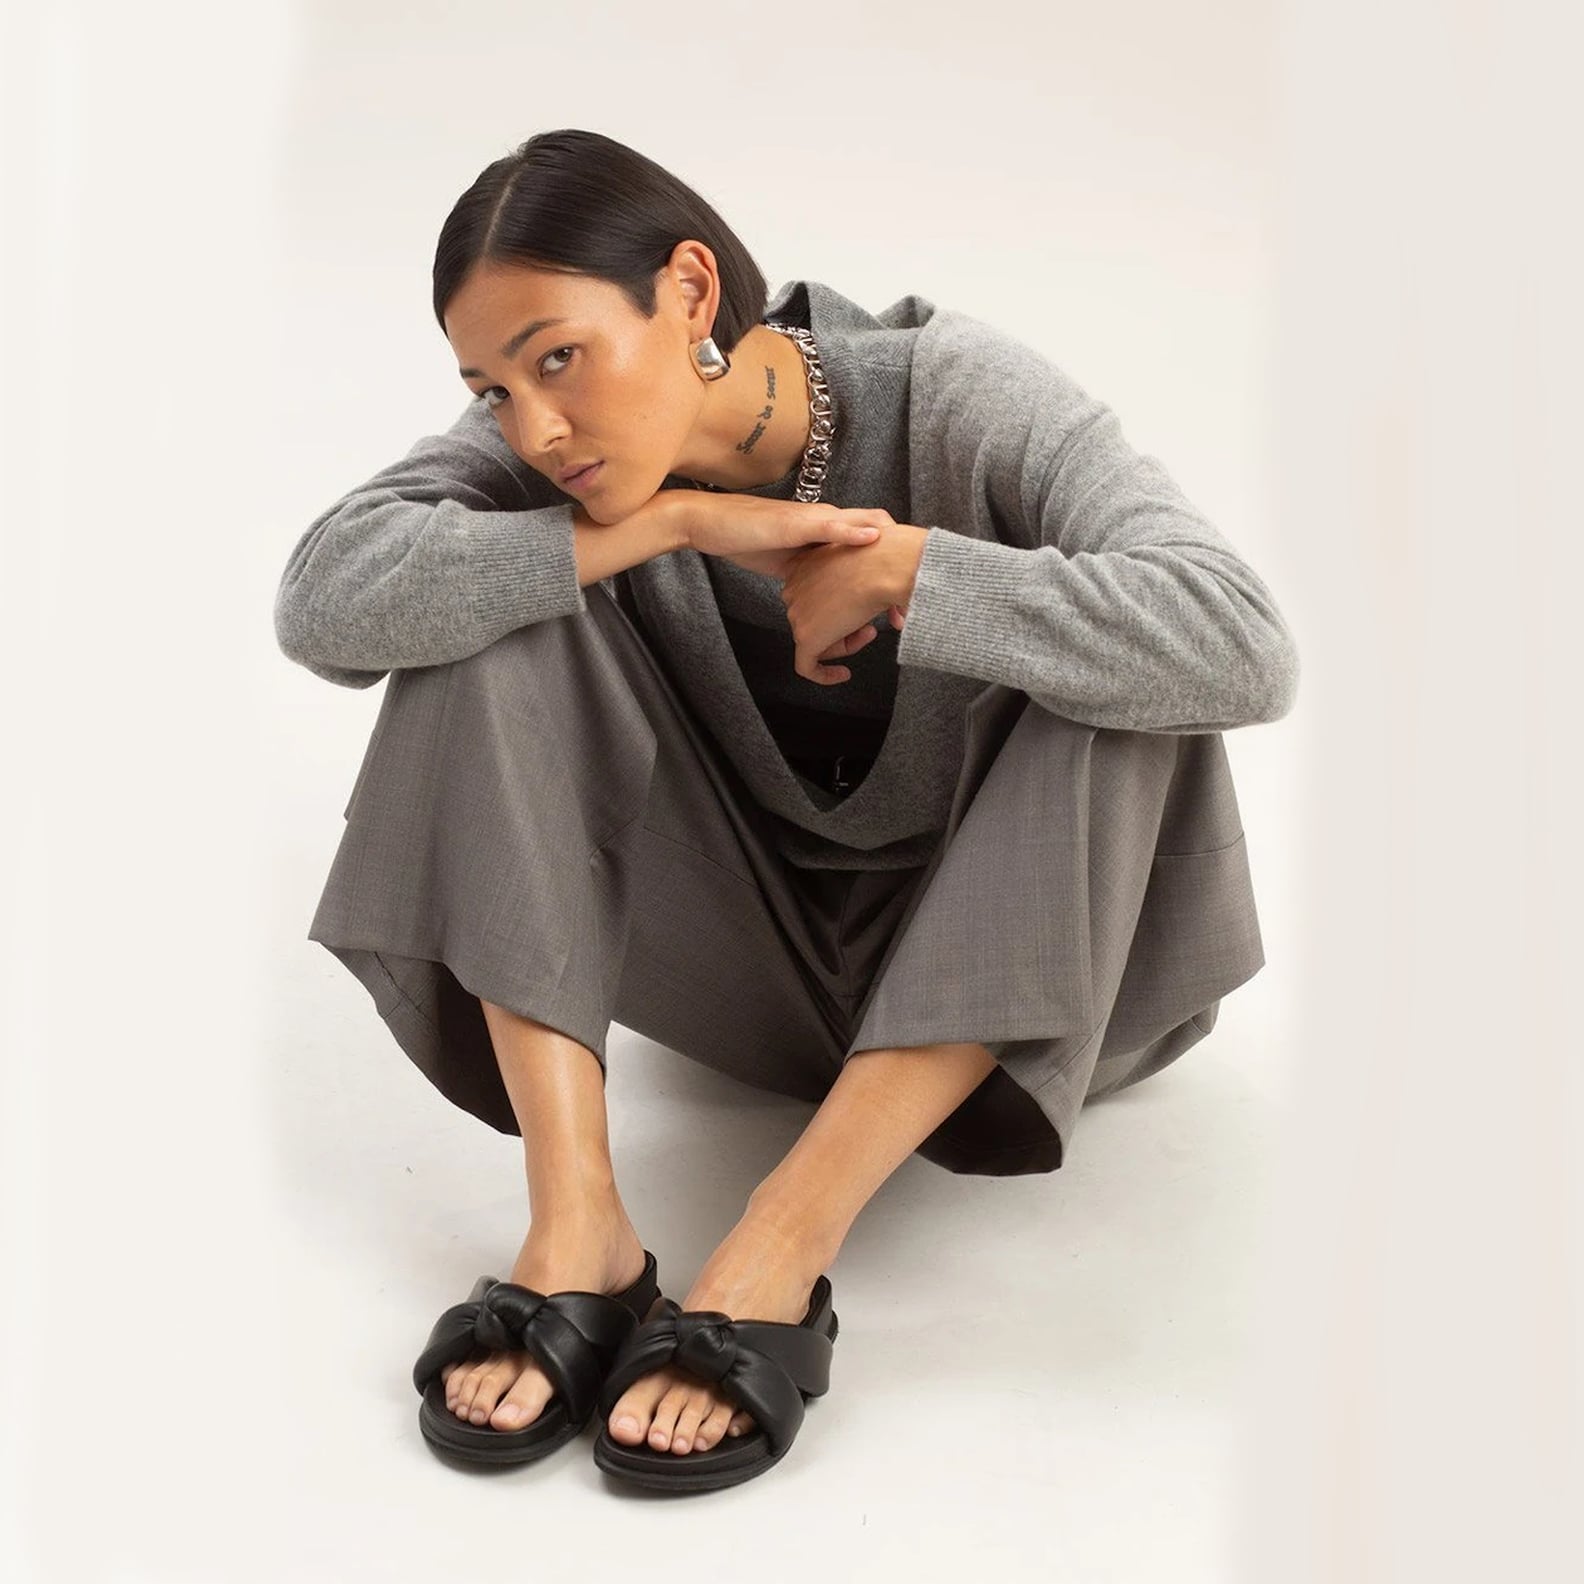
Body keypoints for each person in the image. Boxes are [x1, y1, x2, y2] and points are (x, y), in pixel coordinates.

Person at [274, 127, 1300, 1493]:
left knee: (1115, 668)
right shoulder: (564, 458)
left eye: (558, 357)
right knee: (487, 603)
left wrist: (918, 573)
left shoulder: (959, 398)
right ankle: (579, 1235)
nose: (533, 427)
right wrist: (670, 526)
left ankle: (783, 1236)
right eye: (491, 388)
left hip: (1042, 989)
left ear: (690, 291)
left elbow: (1246, 643)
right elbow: (322, 602)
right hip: (750, 993)